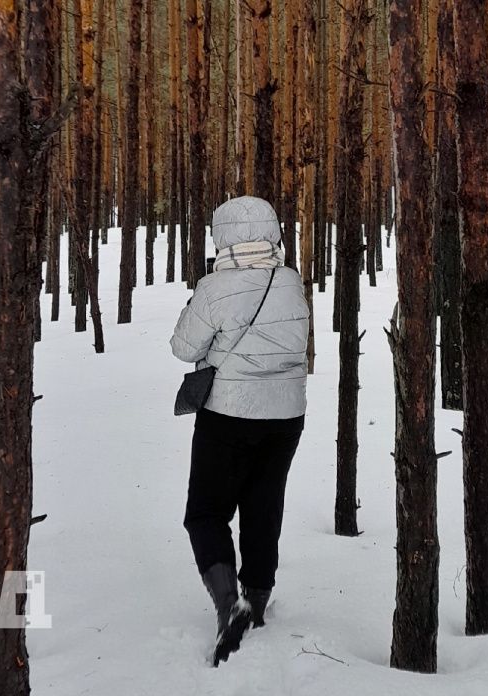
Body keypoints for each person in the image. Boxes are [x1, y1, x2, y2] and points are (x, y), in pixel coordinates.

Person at [170, 196, 310, 665]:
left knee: (206, 512)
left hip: (228, 414)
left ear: (224, 235)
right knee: (263, 508)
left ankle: (229, 603)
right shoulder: (291, 282)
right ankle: (259, 603)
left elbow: (182, 349)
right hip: (287, 416)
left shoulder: (214, 288)